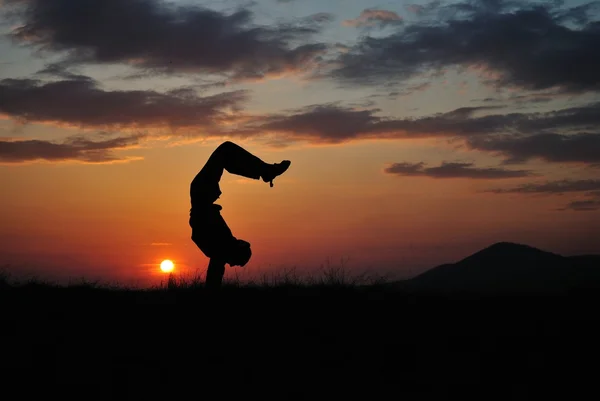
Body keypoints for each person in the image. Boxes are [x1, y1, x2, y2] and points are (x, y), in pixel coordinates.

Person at [189, 141, 291, 289]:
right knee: (226, 155)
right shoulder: (220, 250)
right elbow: (198, 236)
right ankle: (265, 171)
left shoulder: (221, 248)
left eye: (243, 244)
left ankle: (266, 171)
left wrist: (206, 213)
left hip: (201, 196)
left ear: (238, 250)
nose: (243, 241)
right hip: (202, 199)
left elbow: (197, 235)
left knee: (226, 149)